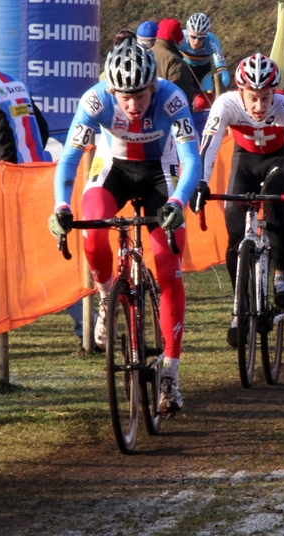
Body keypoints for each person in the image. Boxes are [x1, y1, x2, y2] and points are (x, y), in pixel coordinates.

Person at [48, 38, 201, 414]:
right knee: (93, 232)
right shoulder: (95, 100)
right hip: (113, 169)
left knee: (166, 265)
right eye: (124, 96)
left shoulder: (172, 99)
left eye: (141, 95)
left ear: (153, 87)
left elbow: (191, 161)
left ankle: (170, 371)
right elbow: (69, 158)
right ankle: (105, 297)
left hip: (160, 175)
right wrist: (62, 205)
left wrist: (178, 202)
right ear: (111, 89)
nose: (133, 105)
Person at [0, 32, 85, 342]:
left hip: (11, 184)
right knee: (46, 255)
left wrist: (5, 174)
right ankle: (89, 325)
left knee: (17, 258)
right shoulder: (12, 82)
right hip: (37, 176)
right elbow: (42, 128)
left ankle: (87, 324)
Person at [190, 53, 284, 349]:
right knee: (233, 223)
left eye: (265, 98)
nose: (259, 107)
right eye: (252, 98)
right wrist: (201, 183)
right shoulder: (226, 104)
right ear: (240, 92)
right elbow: (209, 146)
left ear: (274, 93)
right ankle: (238, 308)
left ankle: (280, 276)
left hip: (278, 160)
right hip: (244, 161)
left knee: (273, 198)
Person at [0, 32, 49, 168]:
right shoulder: (15, 82)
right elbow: (42, 127)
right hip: (36, 171)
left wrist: (7, 171)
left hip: (8, 176)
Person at [179, 12, 230, 112]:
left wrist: (219, 87)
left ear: (206, 35)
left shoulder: (212, 42)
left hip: (203, 72)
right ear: (188, 32)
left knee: (206, 104)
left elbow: (223, 72)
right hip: (185, 69)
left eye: (201, 38)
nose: (196, 42)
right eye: (193, 37)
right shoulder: (180, 38)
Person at [151, 18, 194, 111]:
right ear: (177, 40)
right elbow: (181, 98)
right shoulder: (175, 62)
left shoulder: (143, 55)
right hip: (167, 120)